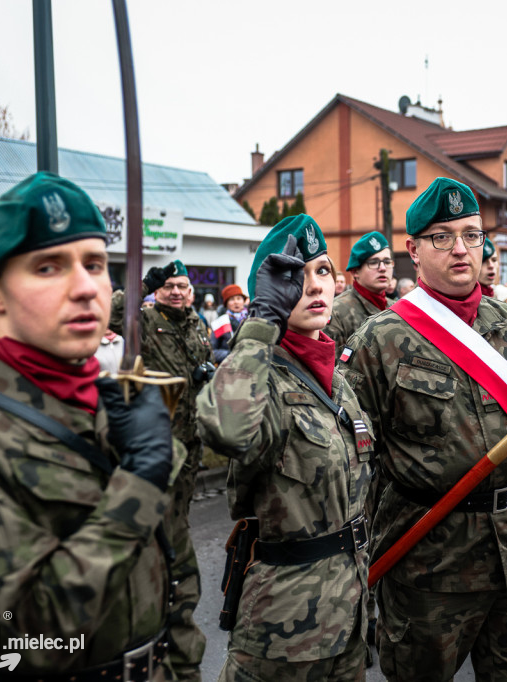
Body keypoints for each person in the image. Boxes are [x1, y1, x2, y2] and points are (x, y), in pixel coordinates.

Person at [0, 171, 204, 678]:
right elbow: (7, 638)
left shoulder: (113, 407)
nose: (85, 287)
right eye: (49, 267)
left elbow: (174, 588)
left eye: (95, 264)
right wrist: (137, 488)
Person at [341, 177, 507, 681]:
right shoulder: (378, 341)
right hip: (430, 561)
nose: (460, 249)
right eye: (441, 237)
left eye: (472, 235)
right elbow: (348, 459)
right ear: (413, 249)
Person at [198, 214, 373, 680]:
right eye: (295, 275)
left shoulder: (338, 382)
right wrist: (261, 323)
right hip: (283, 634)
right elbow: (227, 429)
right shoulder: (261, 375)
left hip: (349, 619)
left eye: (321, 271)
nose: (314, 286)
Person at [110, 258, 213, 518]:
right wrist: (142, 286)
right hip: (158, 434)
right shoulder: (144, 320)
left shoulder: (197, 324)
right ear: (158, 291)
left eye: (181, 286)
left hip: (191, 432)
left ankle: (177, 554)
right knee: (156, 507)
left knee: (182, 508)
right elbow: (111, 314)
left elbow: (204, 358)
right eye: (168, 286)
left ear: (190, 291)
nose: (175, 292)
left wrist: (208, 372)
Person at [324, 231, 394, 357]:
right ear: (355, 271)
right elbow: (331, 367)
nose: (383, 268)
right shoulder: (336, 311)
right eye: (373, 262)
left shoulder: (397, 308)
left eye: (387, 262)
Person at [211, 283, 248, 363]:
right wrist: (230, 354)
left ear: (243, 301)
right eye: (232, 299)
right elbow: (212, 352)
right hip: (228, 367)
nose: (236, 302)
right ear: (226, 304)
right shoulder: (220, 323)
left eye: (239, 298)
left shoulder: (251, 319)